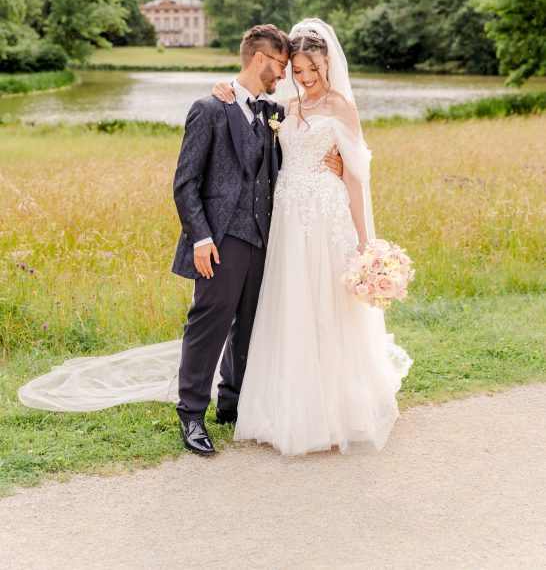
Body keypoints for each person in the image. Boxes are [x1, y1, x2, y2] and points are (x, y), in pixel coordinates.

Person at [18, 23, 344, 458]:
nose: (286, 74)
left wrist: (338, 164)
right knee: (208, 323)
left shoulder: (276, 113)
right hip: (220, 239)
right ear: (259, 59)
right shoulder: (208, 109)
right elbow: (185, 183)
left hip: (266, 236)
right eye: (282, 65)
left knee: (251, 324)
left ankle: (232, 403)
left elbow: (301, 154)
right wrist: (200, 238)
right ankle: (191, 413)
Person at [211, 19, 412, 455]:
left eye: (312, 70)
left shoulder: (342, 107)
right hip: (287, 215)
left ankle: (334, 408)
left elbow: (355, 177)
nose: (305, 78)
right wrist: (222, 87)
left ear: (327, 64)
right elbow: (247, 100)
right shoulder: (285, 104)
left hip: (326, 212)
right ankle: (283, 403)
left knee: (326, 304)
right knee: (289, 302)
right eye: (298, 71)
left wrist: (366, 243)